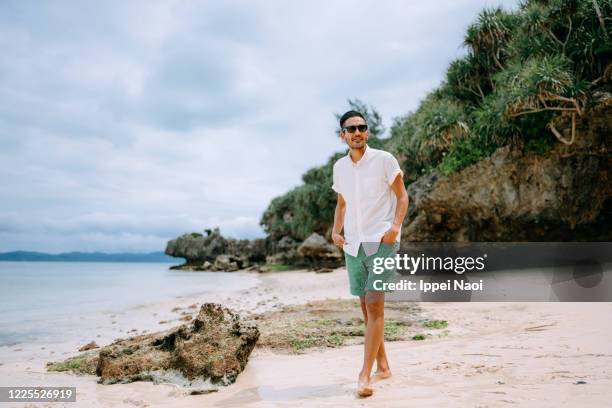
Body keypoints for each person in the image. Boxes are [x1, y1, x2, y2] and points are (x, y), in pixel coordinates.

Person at [331, 110, 409, 397]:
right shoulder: (339, 167)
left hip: (382, 241)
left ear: (368, 132)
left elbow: (402, 196)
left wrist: (395, 228)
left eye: (362, 127)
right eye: (351, 129)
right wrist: (335, 231)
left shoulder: (384, 160)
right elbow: (342, 203)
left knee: (375, 304)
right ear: (343, 135)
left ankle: (364, 375)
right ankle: (384, 366)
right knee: (367, 309)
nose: (357, 132)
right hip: (354, 245)